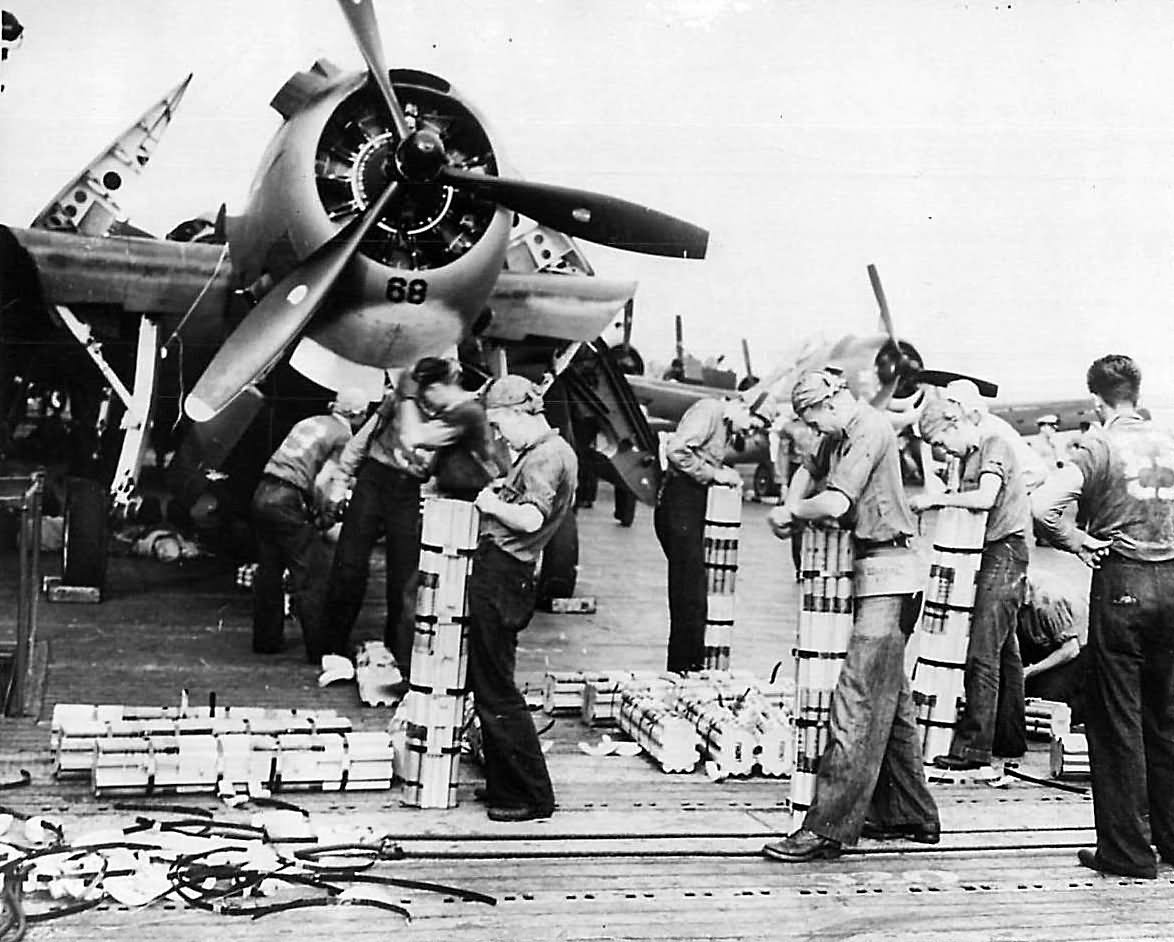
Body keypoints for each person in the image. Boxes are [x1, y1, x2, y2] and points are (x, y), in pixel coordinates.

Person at [762, 369, 939, 863]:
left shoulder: (869, 428)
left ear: (830, 403)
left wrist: (792, 514)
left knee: (857, 700)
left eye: (812, 419)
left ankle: (827, 829)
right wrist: (792, 503)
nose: (813, 430)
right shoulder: (837, 431)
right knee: (890, 699)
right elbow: (808, 468)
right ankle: (911, 813)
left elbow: (837, 500)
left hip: (891, 574)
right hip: (876, 572)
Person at [1033, 354, 1174, 880]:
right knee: (1166, 717)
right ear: (1137, 394)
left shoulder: (1097, 445)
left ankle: (1127, 851)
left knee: (1117, 720)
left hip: (1124, 582)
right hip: (1172, 582)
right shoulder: (1168, 441)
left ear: (1096, 401)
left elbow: (1043, 507)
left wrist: (1074, 540)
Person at [318, 357, 478, 673]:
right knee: (349, 566)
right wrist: (340, 482)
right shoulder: (399, 401)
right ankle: (330, 647)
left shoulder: (458, 415)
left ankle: (399, 654)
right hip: (374, 481)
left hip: (409, 491)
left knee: (404, 577)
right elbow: (361, 441)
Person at [467, 374, 578, 822]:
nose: (497, 435)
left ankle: (531, 796)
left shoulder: (546, 457)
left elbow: (531, 519)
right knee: (490, 683)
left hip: (504, 574)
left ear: (518, 413)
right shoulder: (546, 452)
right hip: (507, 574)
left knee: (496, 689)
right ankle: (505, 785)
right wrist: (503, 489)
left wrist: (492, 506)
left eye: (498, 424)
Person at [910, 397, 1030, 769]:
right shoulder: (969, 456)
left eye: (941, 442)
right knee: (1004, 651)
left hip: (1004, 551)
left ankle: (974, 748)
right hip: (994, 552)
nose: (944, 451)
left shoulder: (994, 445)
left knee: (982, 651)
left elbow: (985, 497)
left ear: (954, 424)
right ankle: (1008, 738)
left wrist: (935, 501)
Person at [654, 390, 772, 673]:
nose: (750, 433)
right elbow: (676, 450)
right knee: (689, 594)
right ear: (742, 406)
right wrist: (714, 474)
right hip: (679, 502)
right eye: (752, 424)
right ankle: (684, 669)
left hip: (690, 503)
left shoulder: (725, 423)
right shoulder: (709, 411)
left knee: (694, 593)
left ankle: (687, 666)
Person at [250, 387, 370, 658]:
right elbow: (323, 481)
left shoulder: (310, 421)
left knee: (269, 571)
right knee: (311, 575)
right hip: (288, 498)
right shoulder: (343, 435)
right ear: (358, 415)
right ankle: (320, 648)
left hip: (263, 491)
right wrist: (325, 512)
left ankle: (265, 641)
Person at [1016, 574, 1087, 726]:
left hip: (1074, 654)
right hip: (1041, 645)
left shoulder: (1047, 602)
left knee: (1045, 702)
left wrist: (1029, 671)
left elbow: (1070, 650)